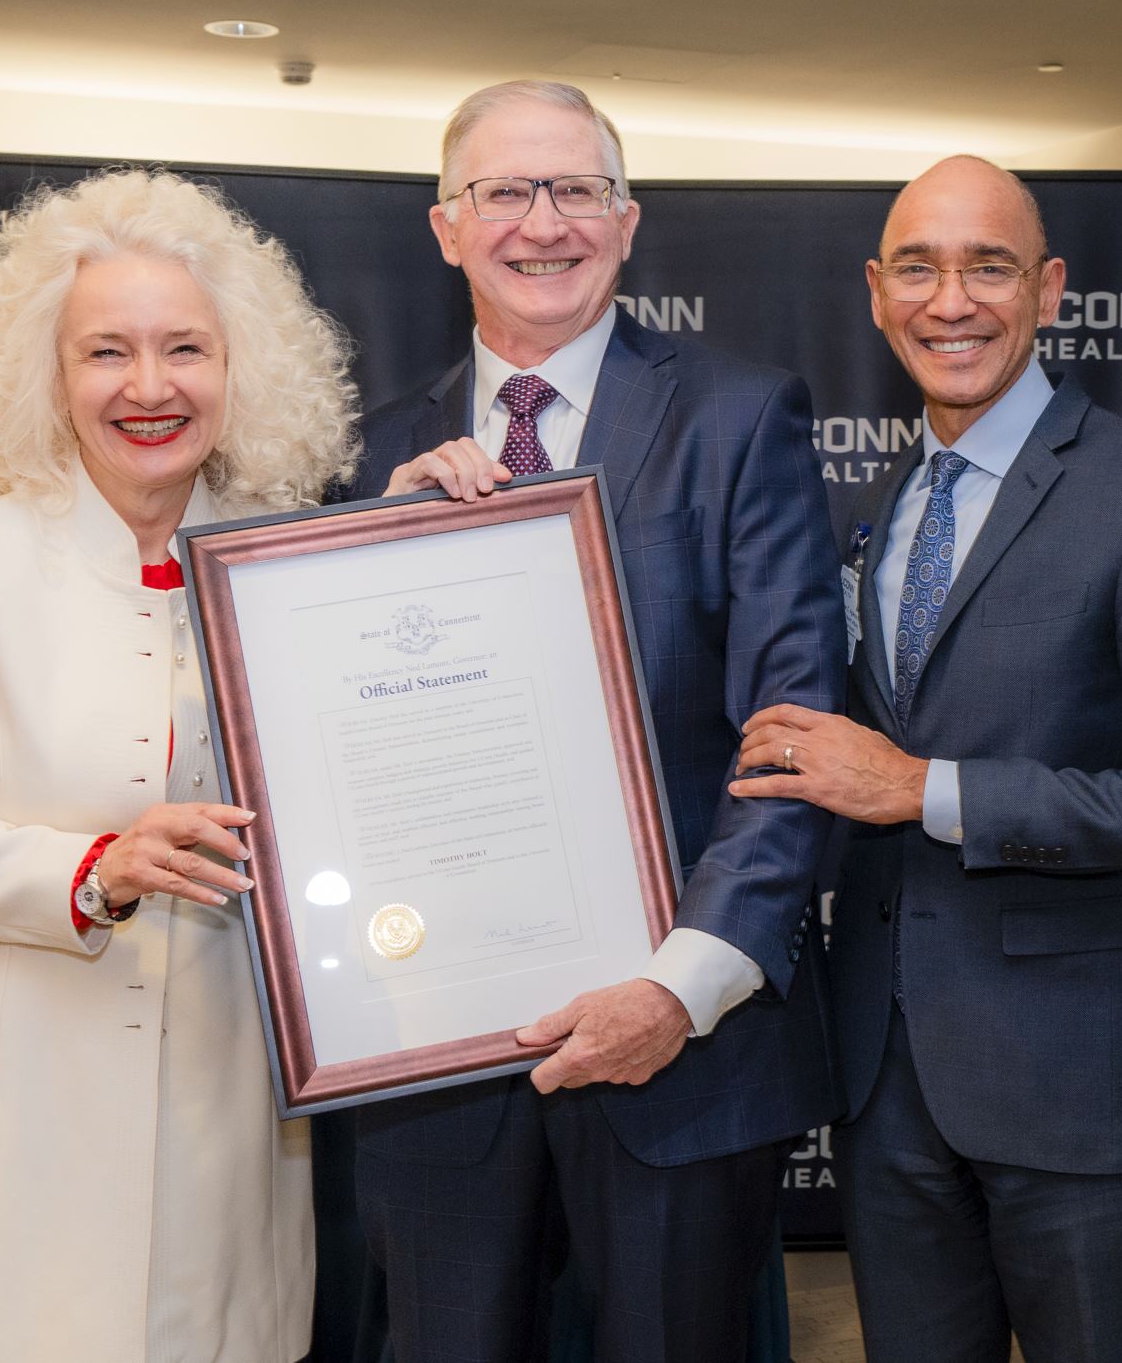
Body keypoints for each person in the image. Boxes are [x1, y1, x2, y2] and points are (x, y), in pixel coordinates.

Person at [319, 80, 843, 1363]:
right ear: (446, 227)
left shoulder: (739, 416)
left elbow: (791, 732)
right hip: (434, 1061)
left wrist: (679, 987)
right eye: (504, 191)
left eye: (575, 190)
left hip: (679, 1045)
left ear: (625, 221)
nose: (540, 223)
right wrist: (363, 553)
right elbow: (327, 749)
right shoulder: (368, 454)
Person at [730, 155, 1122, 1363]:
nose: (949, 300)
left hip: (1080, 1087)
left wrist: (922, 790)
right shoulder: (881, 501)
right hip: (884, 1081)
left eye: (988, 266)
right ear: (875, 293)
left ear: (1051, 288)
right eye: (916, 267)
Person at [0, 168, 358, 1362]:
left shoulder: (286, 557)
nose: (148, 386)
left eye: (186, 347)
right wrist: (93, 866)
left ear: (242, 369)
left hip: (227, 1097)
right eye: (105, 352)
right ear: (46, 372)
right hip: (17, 1082)